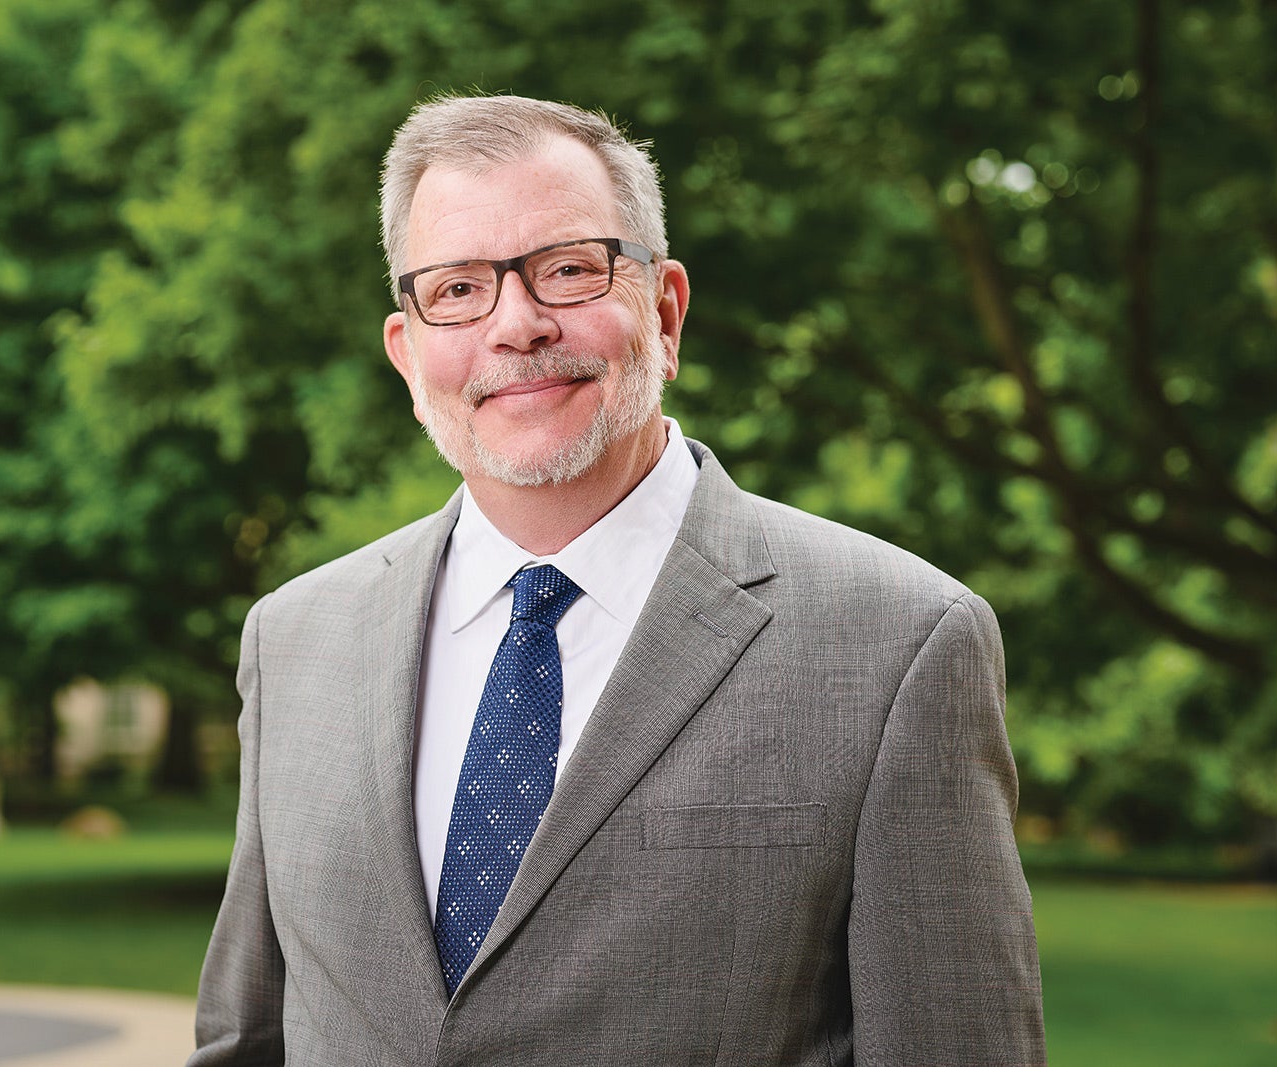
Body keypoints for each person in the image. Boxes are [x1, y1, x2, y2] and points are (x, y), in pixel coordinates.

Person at [187, 94, 1046, 1066]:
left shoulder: (902, 642)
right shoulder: (293, 636)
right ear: (407, 351)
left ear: (665, 310)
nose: (515, 325)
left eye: (565, 269)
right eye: (458, 289)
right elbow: (245, 1037)